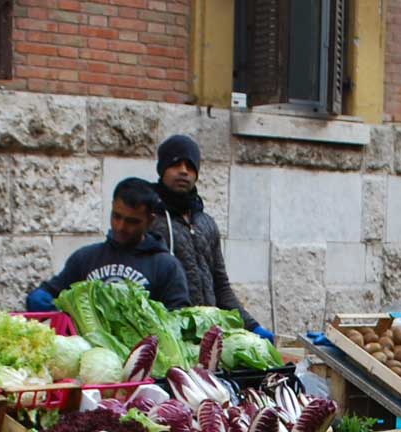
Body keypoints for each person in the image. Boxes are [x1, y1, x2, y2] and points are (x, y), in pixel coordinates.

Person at [150, 134, 272, 338]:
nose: (183, 171)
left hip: (210, 336)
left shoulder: (206, 223)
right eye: (175, 165)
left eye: (189, 166)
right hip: (171, 337)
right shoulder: (151, 221)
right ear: (162, 170)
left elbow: (221, 286)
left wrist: (252, 326)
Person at [27, 178, 190, 311]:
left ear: (150, 221)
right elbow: (51, 292)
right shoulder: (85, 258)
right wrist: (40, 299)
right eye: (116, 216)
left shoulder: (167, 267)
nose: (120, 227)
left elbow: (177, 319)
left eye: (132, 221)